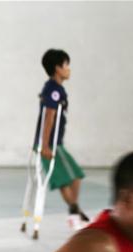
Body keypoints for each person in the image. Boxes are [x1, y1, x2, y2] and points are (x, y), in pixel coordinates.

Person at [35, 49, 88, 230]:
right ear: (57, 68)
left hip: (52, 143)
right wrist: (45, 145)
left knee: (69, 179)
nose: (69, 69)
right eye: (66, 66)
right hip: (51, 144)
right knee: (75, 177)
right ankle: (74, 213)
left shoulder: (52, 88)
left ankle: (74, 211)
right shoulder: (54, 90)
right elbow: (49, 116)